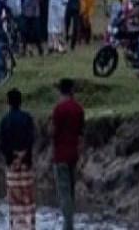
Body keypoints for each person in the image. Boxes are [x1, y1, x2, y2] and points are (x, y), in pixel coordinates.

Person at [50, 78, 85, 230]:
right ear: (72, 91)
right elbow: (81, 133)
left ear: (61, 91)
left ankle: (68, 225)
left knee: (64, 194)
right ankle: (70, 223)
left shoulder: (58, 109)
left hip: (60, 155)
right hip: (74, 154)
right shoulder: (78, 108)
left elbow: (52, 131)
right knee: (71, 191)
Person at [0, 89, 35, 229]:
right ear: (20, 102)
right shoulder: (27, 118)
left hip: (12, 164)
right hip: (26, 163)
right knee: (27, 199)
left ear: (9, 102)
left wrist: (13, 156)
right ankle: (29, 226)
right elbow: (31, 139)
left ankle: (16, 226)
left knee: (14, 200)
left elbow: (3, 143)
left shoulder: (5, 121)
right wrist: (24, 155)